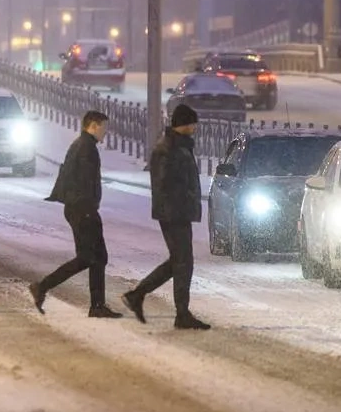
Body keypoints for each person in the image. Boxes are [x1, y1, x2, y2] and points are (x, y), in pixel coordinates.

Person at [122, 104, 210, 330]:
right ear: (185, 124)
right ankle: (181, 314)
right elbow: (164, 183)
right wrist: (179, 203)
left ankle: (138, 295)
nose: (195, 128)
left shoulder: (179, 146)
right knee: (183, 262)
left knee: (178, 262)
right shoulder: (168, 148)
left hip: (178, 211)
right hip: (174, 213)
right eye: (193, 124)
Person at [30, 110, 122, 318]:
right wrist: (88, 208)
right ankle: (43, 287)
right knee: (88, 258)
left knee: (97, 257)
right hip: (83, 210)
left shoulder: (82, 145)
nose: (105, 133)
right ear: (94, 125)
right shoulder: (86, 148)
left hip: (81, 209)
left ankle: (97, 305)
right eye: (104, 128)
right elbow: (83, 182)